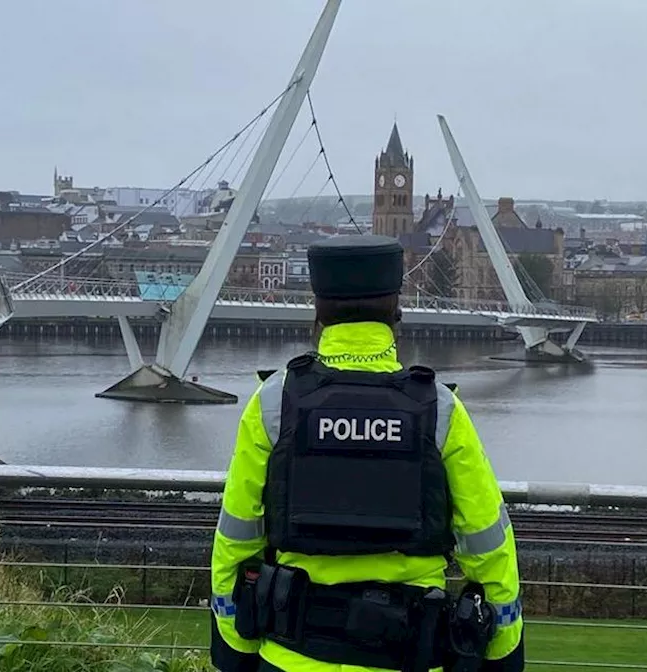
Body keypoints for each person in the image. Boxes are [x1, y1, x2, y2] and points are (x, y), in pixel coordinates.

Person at [209, 234, 524, 672]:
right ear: (397, 310)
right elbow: (488, 544)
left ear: (317, 311)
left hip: (291, 656)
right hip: (409, 657)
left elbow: (237, 537)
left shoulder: (274, 403)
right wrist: (504, 648)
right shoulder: (439, 409)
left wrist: (232, 645)